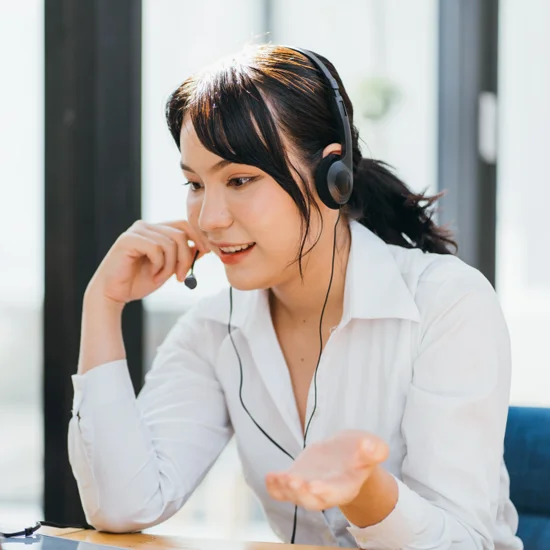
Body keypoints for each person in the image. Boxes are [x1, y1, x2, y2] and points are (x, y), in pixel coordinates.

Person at [68, 44, 522, 550]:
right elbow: (125, 505)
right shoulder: (213, 330)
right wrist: (102, 305)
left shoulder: (446, 304)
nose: (210, 218)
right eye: (195, 183)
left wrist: (367, 491)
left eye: (240, 180)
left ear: (334, 179)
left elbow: (464, 544)